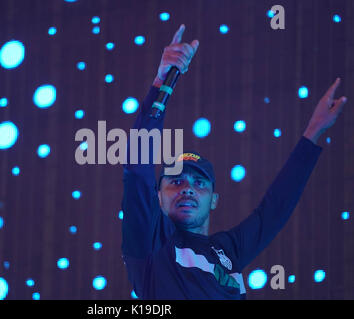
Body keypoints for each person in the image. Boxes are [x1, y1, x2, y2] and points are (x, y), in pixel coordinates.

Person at [121, 24, 348, 299]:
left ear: (214, 199)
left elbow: (274, 210)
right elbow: (137, 166)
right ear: (157, 197)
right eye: (176, 181)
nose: (188, 188)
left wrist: (313, 132)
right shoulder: (152, 241)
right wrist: (162, 83)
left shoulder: (229, 249)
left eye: (199, 182)